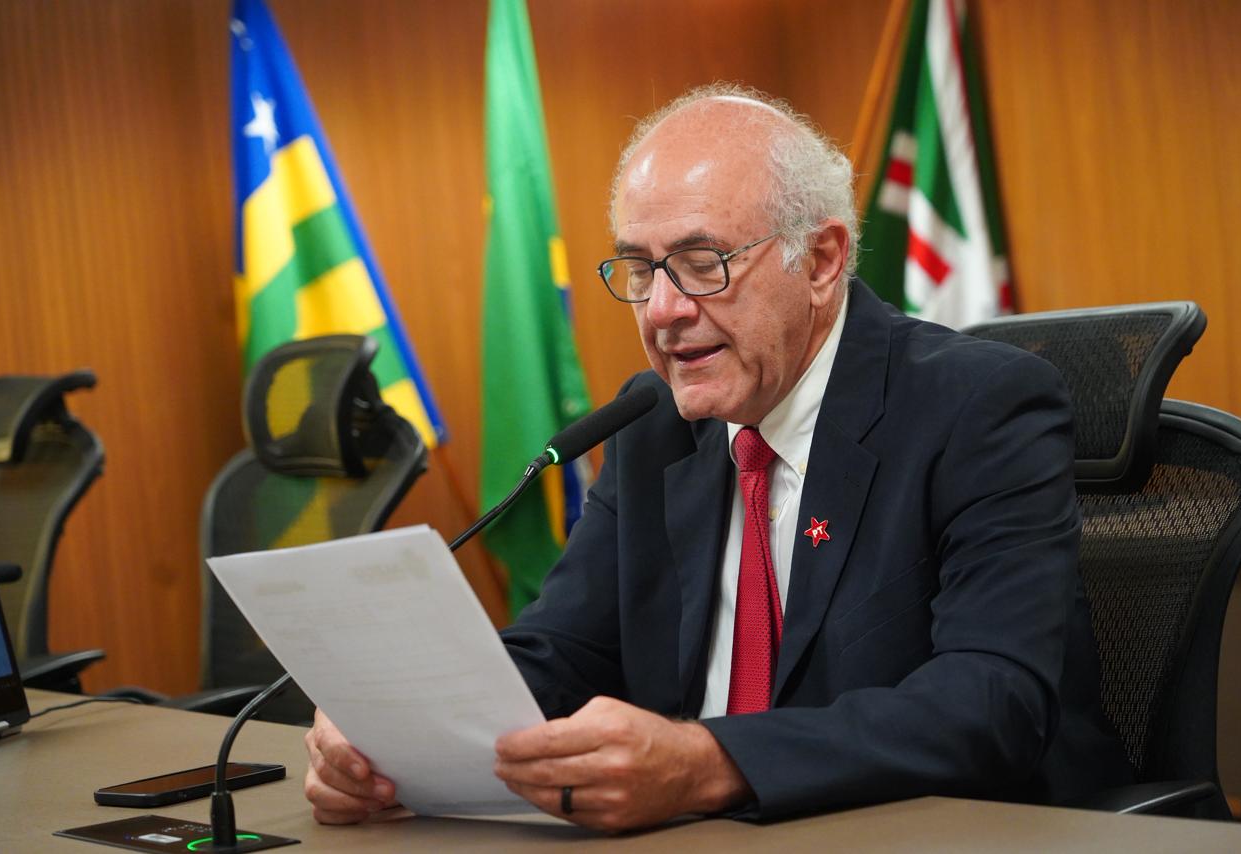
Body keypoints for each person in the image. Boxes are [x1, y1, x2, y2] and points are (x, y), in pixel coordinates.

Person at [303, 84, 1131, 831]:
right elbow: (565, 651)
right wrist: (396, 729)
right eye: (639, 270)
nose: (663, 310)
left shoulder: (976, 406)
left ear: (821, 260)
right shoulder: (653, 423)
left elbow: (991, 702)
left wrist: (708, 764)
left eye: (702, 266)